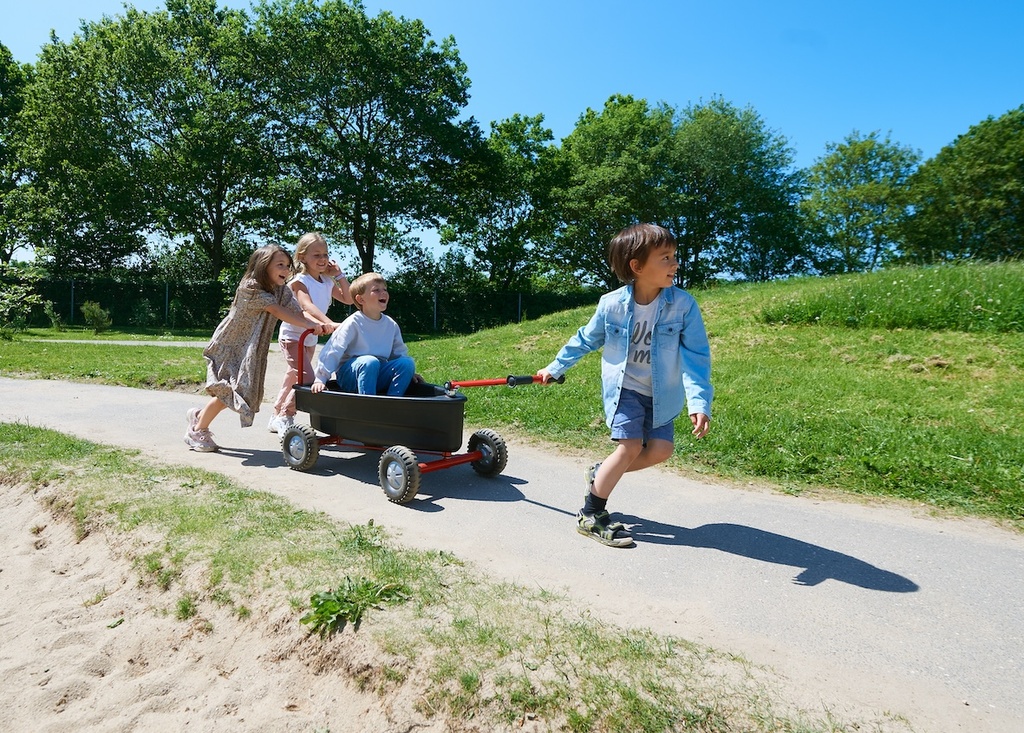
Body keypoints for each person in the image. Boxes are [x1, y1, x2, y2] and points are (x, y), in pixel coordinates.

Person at [537, 223, 713, 548]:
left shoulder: (684, 305)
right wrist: (555, 367)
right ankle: (591, 515)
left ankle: (601, 473)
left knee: (661, 451)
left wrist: (699, 402)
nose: (675, 264)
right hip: (626, 390)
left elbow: (697, 357)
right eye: (665, 258)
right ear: (637, 266)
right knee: (630, 447)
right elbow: (585, 340)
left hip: (661, 394)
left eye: (674, 256)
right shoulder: (611, 305)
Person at [185, 244, 326, 452]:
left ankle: (199, 417)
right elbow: (277, 311)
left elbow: (297, 311)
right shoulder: (250, 287)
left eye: (287, 266)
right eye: (280, 265)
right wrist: (309, 325)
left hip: (251, 347)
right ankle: (197, 429)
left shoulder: (280, 290)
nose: (286, 271)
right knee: (232, 390)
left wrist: (325, 324)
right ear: (263, 266)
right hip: (231, 345)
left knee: (239, 390)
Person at [267, 232, 354, 433]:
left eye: (325, 254)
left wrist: (339, 275)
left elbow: (349, 299)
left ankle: (276, 413)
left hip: (310, 336)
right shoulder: (299, 281)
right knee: (305, 377)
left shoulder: (327, 281)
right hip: (294, 336)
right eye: (316, 255)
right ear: (302, 257)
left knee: (292, 376)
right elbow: (307, 307)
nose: (322, 259)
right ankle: (286, 415)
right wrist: (329, 323)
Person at [311, 272, 419, 396]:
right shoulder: (353, 322)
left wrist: (409, 372)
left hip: (378, 373)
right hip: (351, 376)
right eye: (376, 290)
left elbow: (398, 354)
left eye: (384, 289)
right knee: (370, 362)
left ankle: (392, 404)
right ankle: (368, 405)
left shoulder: (390, 324)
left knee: (407, 363)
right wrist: (321, 378)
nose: (383, 293)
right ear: (360, 299)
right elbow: (333, 350)